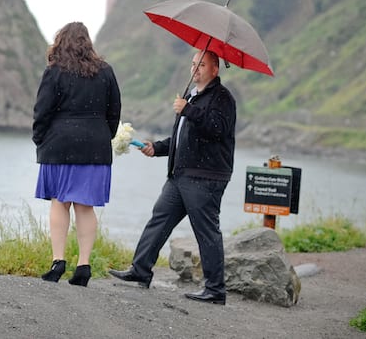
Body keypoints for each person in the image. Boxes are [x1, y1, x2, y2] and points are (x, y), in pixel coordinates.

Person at [109, 49, 235, 305]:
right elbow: (182, 138)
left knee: (206, 231)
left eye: (202, 64)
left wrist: (189, 110)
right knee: (159, 219)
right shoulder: (192, 95)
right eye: (193, 63)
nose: (195, 68)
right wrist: (156, 148)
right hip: (180, 175)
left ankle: (215, 290)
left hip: (206, 177)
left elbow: (217, 129)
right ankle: (140, 270)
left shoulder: (223, 98)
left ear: (215, 69)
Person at [32, 22, 122, 287]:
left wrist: (40, 139)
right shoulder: (106, 72)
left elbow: (42, 111)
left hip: (60, 145)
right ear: (88, 42)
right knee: (85, 206)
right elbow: (114, 110)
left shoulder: (55, 71)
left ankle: (58, 261)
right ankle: (83, 265)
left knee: (60, 202)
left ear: (61, 41)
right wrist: (104, 136)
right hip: (95, 148)